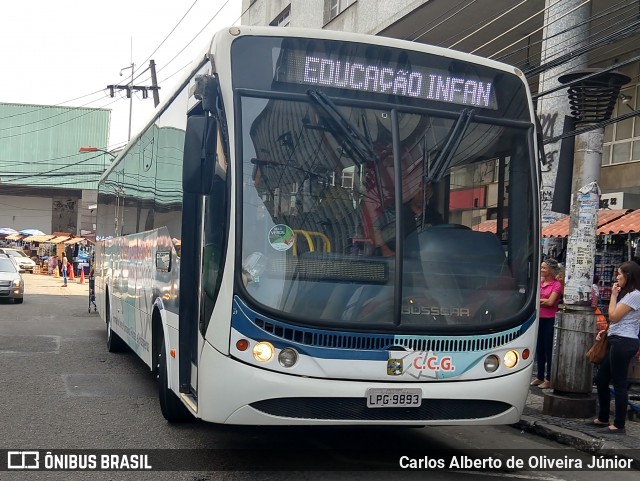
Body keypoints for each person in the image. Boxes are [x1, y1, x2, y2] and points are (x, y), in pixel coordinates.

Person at [593, 261, 640, 433]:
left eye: (619, 274)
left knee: (619, 383)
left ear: (628, 276)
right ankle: (603, 417)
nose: (617, 277)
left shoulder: (634, 295)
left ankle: (619, 424)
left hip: (624, 341)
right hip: (616, 338)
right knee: (601, 379)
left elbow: (613, 316)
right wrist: (605, 332)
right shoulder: (628, 295)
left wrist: (613, 296)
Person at [531, 258, 563, 389]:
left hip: (550, 318)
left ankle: (549, 378)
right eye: (541, 267)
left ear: (550, 270)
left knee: (548, 349)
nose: (542, 270)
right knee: (539, 348)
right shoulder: (539, 282)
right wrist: (542, 300)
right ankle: (539, 377)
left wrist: (539, 300)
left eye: (544, 268)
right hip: (538, 318)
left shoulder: (556, 284)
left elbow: (551, 302)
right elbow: (533, 298)